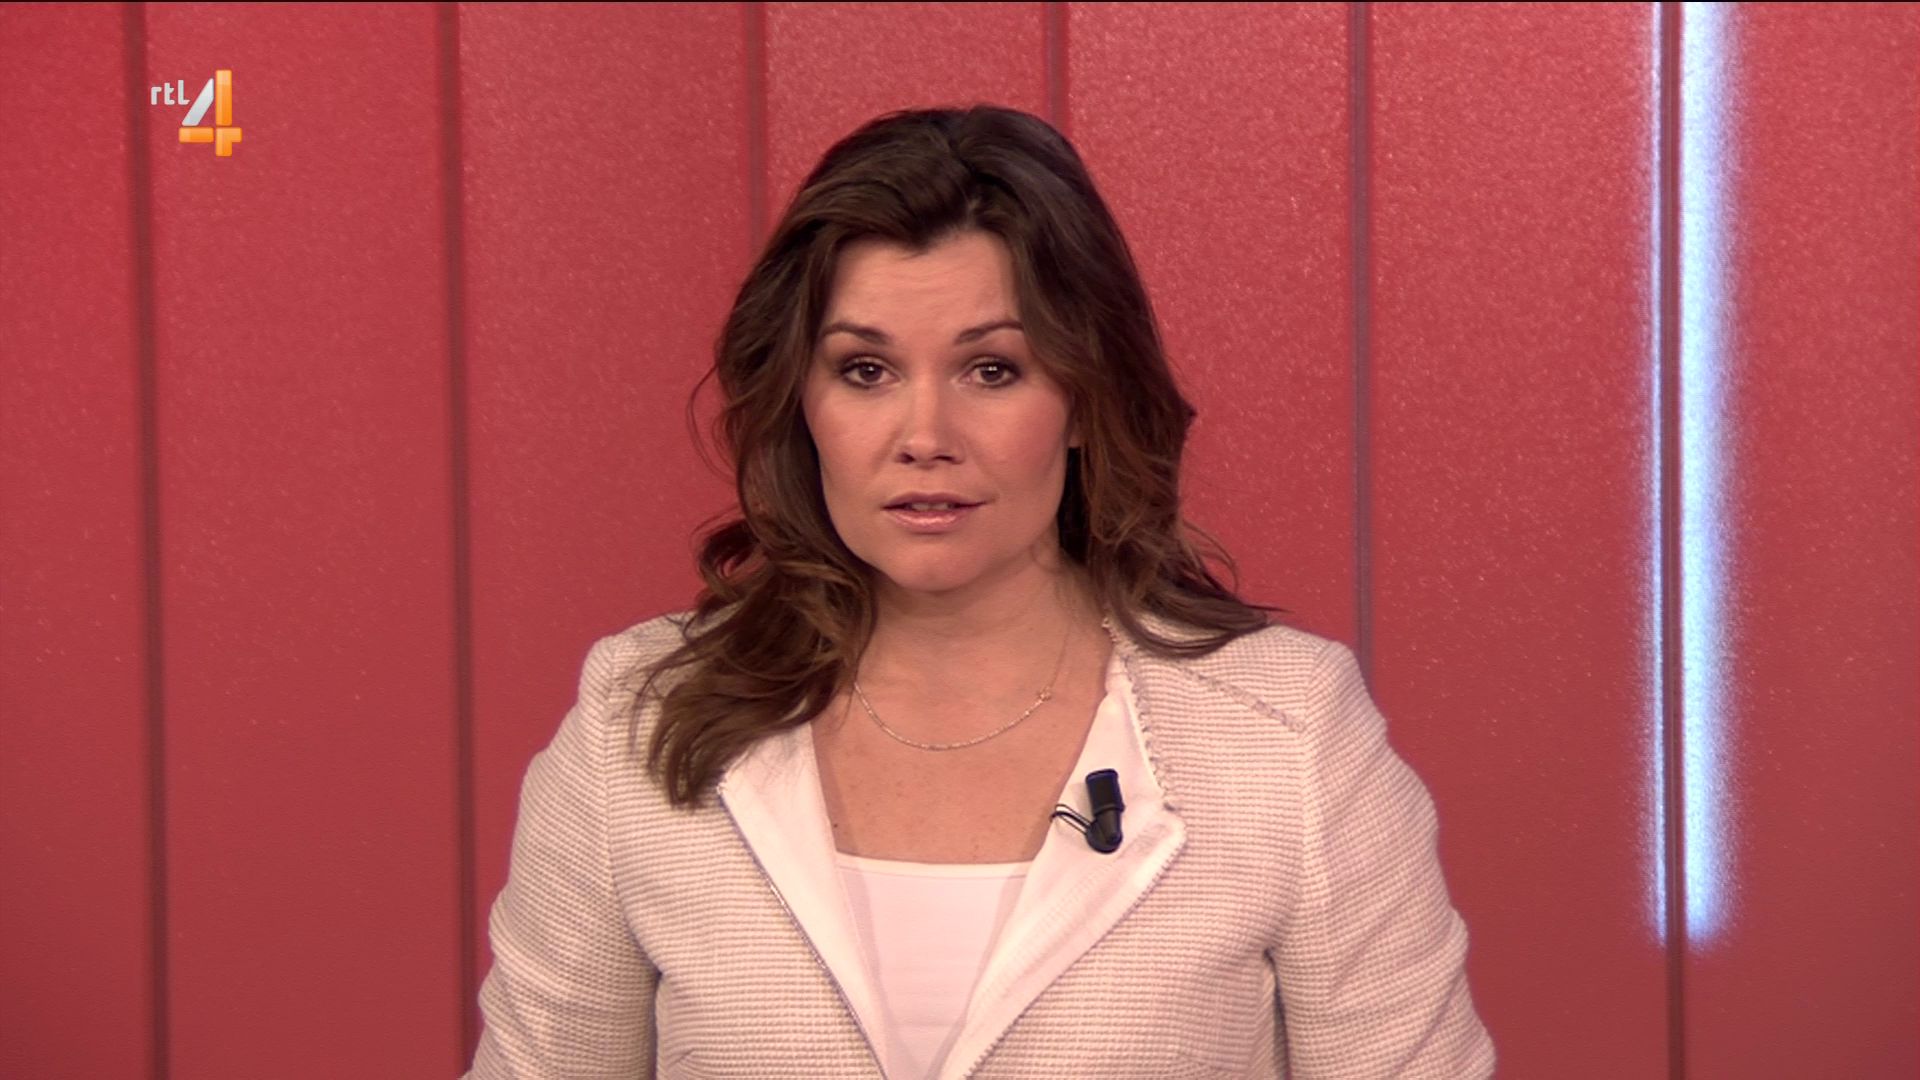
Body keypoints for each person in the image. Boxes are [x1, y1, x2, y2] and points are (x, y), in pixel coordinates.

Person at [464, 104, 1494, 1079]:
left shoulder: (1286, 733)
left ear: (1085, 398)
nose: (925, 436)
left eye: (992, 370)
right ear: (799, 401)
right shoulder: (639, 719)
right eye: (865, 371)